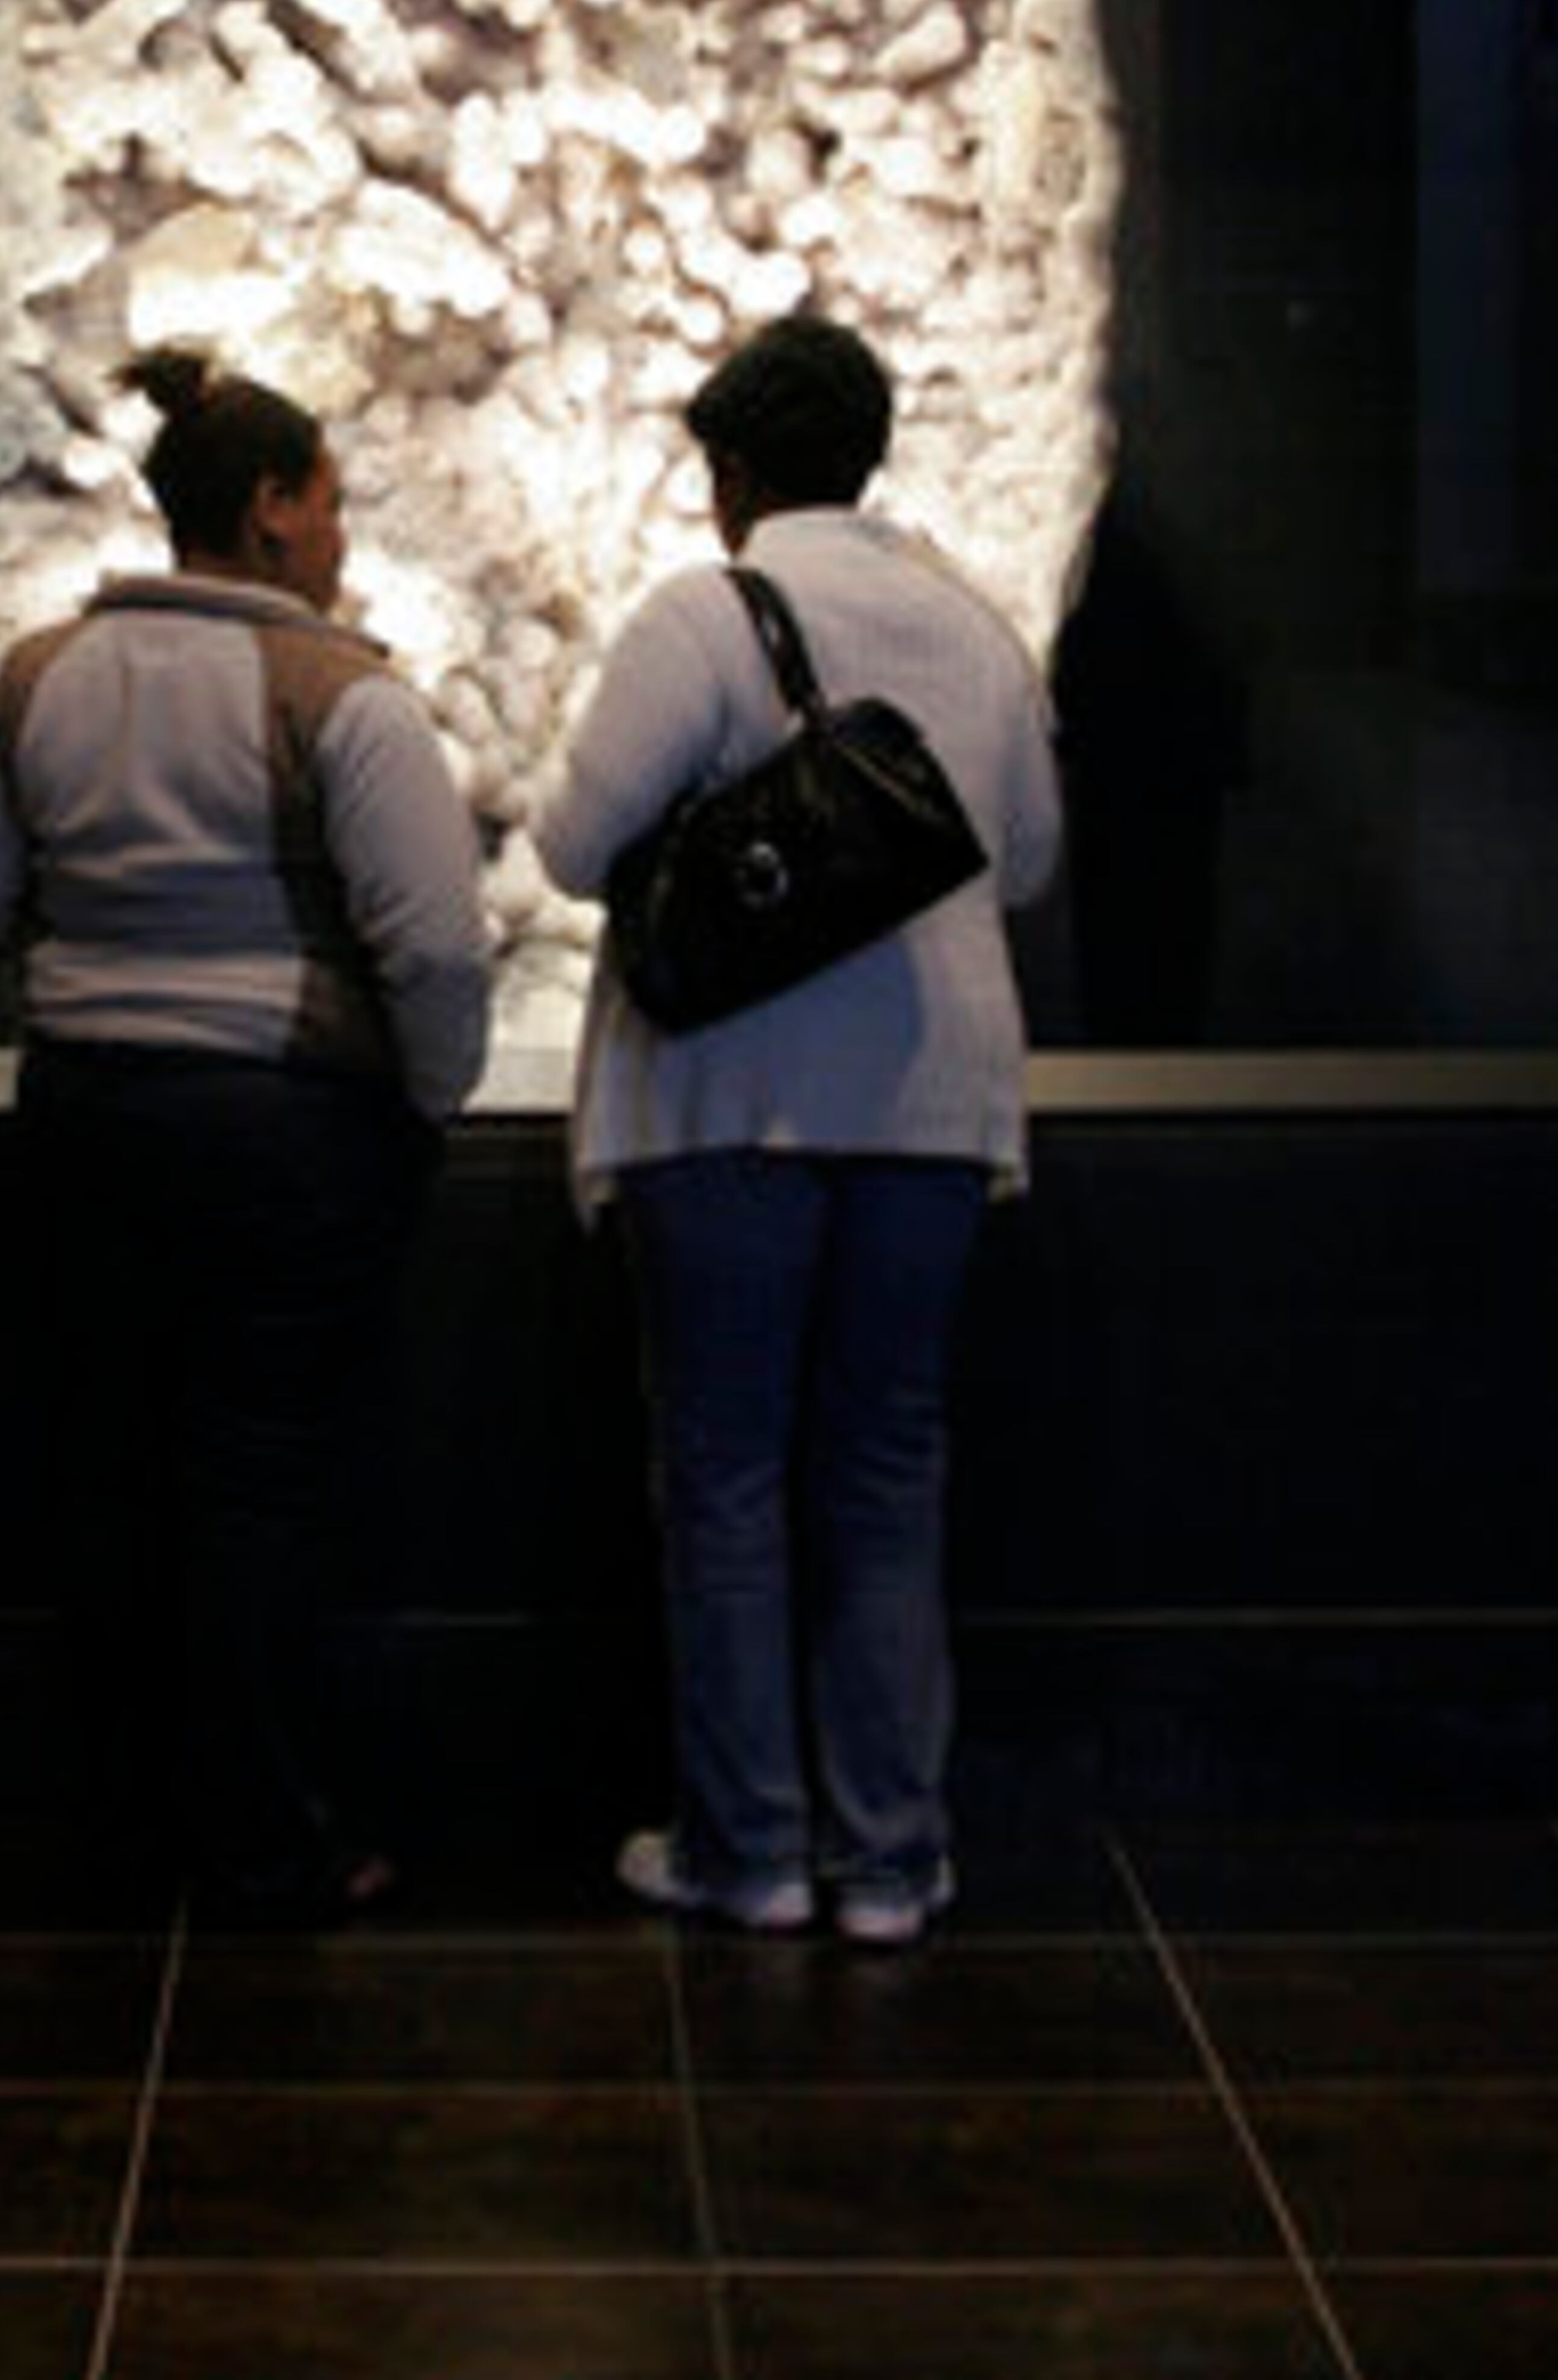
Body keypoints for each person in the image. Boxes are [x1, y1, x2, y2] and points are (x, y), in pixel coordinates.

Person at [0, 346, 491, 1923]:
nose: (344, 537)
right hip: (283, 1127)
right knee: (251, 1487)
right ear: (272, 511)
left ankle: (111, 1823)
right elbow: (433, 942)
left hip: (83, 1109)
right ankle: (258, 1841)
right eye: (330, 504)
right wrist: (430, 1100)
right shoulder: (339, 695)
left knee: (108, 1462)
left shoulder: (28, 679)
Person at [531, 309, 1062, 1945]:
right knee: (891, 1467)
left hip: (733, 1101)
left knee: (729, 1473)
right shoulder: (976, 628)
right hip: (932, 1099)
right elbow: (1027, 861)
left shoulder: (709, 615)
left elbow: (569, 843)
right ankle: (892, 1862)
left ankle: (749, 1850)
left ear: (734, 474)